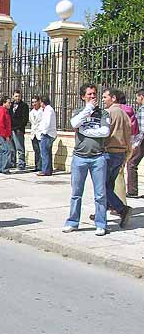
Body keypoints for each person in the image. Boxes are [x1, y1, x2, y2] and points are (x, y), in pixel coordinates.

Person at [63, 84, 110, 236]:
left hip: (98, 157)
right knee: (76, 192)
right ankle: (72, 222)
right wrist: (88, 109)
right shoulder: (78, 112)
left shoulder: (103, 113)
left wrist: (85, 131)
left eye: (94, 94)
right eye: (89, 94)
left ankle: (101, 223)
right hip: (79, 158)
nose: (93, 96)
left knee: (100, 194)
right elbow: (75, 124)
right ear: (83, 97)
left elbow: (105, 132)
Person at [102, 88, 132, 227]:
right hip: (121, 152)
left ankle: (121, 208)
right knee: (110, 184)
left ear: (113, 98)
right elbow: (129, 134)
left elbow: (104, 133)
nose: (103, 99)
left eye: (105, 97)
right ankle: (101, 211)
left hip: (109, 152)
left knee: (102, 185)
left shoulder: (108, 113)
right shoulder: (125, 114)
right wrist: (127, 152)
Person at [126, 88, 144, 198]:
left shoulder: (142, 110)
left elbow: (142, 130)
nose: (136, 99)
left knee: (131, 163)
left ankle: (132, 191)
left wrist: (135, 144)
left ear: (141, 97)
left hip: (141, 141)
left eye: (137, 97)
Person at [9, 90, 29, 170]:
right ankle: (12, 162)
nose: (17, 98)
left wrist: (19, 127)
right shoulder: (10, 105)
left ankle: (21, 163)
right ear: (13, 96)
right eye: (16, 96)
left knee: (20, 147)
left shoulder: (24, 106)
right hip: (11, 129)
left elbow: (25, 119)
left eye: (19, 96)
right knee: (12, 148)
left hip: (18, 130)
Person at [37, 96, 57, 176]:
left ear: (42, 102)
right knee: (47, 153)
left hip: (47, 134)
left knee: (44, 153)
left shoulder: (48, 110)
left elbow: (47, 123)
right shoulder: (47, 110)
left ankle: (45, 170)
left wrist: (43, 132)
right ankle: (48, 170)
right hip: (49, 133)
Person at [0, 95, 13, 174]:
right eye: (9, 103)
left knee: (3, 150)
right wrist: (6, 136)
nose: (10, 104)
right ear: (4, 103)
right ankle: (5, 168)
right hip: (2, 134)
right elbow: (0, 125)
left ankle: (1, 168)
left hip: (3, 134)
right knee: (7, 150)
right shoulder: (1, 111)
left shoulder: (5, 111)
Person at [29, 96, 43, 171]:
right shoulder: (31, 112)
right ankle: (37, 166)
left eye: (35, 102)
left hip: (40, 134)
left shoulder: (42, 111)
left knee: (41, 151)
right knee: (36, 151)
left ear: (39, 102)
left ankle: (41, 166)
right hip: (33, 134)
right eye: (33, 102)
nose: (34, 104)